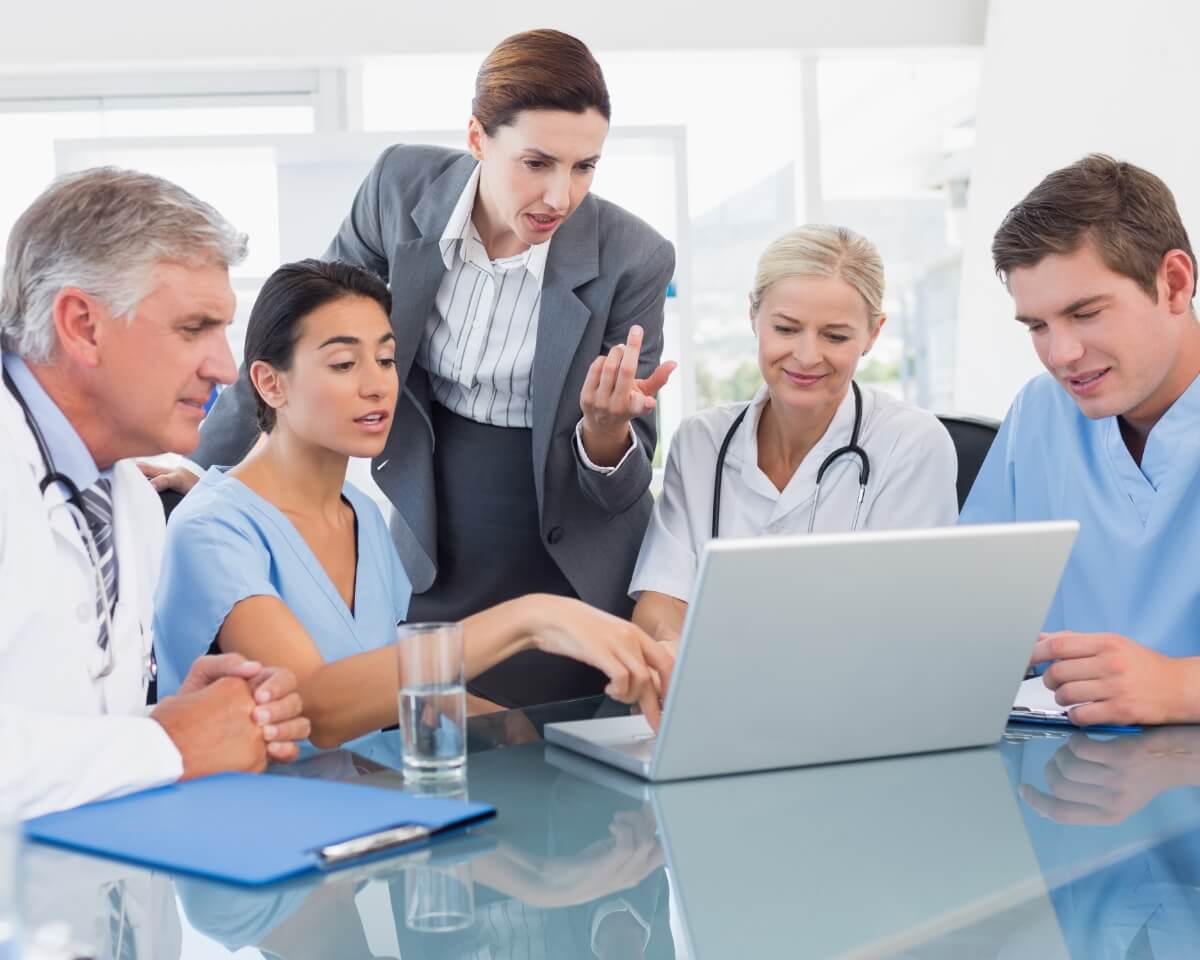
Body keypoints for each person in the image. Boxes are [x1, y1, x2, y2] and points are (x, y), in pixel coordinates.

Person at [146, 29, 676, 709]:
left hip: (570, 547)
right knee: (428, 721)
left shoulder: (634, 256)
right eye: (537, 162)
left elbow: (626, 477)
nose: (559, 195)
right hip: (438, 520)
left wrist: (605, 432)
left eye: (585, 167)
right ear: (479, 138)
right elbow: (302, 327)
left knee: (549, 751)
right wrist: (201, 467)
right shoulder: (402, 189)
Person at [155, 259, 675, 748]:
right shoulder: (212, 528)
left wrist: (533, 741)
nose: (376, 384)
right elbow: (317, 708)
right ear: (270, 383)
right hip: (254, 824)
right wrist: (532, 619)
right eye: (343, 363)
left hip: (368, 811)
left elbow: (391, 695)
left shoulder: (361, 515)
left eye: (385, 359)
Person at [0, 168, 310, 819]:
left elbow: (58, 728)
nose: (225, 368)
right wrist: (165, 742)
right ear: (83, 325)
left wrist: (167, 716)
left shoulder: (132, 497)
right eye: (194, 328)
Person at [961, 154, 1200, 728]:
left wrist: (1180, 687)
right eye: (1038, 327)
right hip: (1066, 773)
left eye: (1086, 313)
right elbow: (971, 616)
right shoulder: (1040, 414)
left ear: (1173, 283)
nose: (1061, 355)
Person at [630, 225, 958, 643]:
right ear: (753, 316)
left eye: (835, 336)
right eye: (786, 329)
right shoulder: (702, 441)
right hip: (716, 695)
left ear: (873, 334)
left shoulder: (911, 444)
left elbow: (904, 622)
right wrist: (675, 657)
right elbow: (661, 601)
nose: (806, 356)